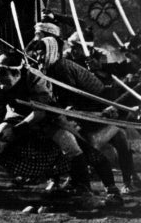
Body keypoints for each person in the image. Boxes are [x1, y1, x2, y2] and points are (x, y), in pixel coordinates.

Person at [0, 52, 102, 210]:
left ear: (17, 72)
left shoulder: (35, 78)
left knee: (70, 143)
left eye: (3, 73)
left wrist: (16, 131)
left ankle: (86, 194)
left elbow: (40, 111)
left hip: (46, 118)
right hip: (16, 116)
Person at [26, 36, 136, 201]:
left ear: (51, 52)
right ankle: (119, 181)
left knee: (85, 141)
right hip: (85, 106)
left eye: (42, 54)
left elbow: (72, 94)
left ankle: (94, 184)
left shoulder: (60, 67)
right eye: (37, 54)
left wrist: (67, 109)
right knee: (114, 137)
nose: (39, 58)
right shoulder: (52, 66)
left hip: (96, 106)